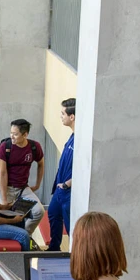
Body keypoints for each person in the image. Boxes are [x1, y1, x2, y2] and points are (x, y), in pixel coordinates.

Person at [0, 119, 45, 235]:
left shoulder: (34, 147)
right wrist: (3, 199)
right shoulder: (4, 147)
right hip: (5, 188)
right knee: (6, 218)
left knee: (39, 211)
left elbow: (41, 164)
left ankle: (25, 235)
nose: (12, 136)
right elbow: (3, 173)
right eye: (11, 133)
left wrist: (37, 185)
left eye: (15, 134)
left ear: (25, 134)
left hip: (23, 189)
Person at [47, 98, 75, 251]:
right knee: (52, 213)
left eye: (63, 113)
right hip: (60, 190)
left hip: (67, 191)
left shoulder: (80, 139)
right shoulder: (71, 136)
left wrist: (67, 184)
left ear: (72, 117)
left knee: (71, 226)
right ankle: (54, 248)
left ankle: (74, 257)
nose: (61, 116)